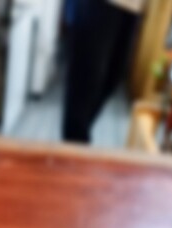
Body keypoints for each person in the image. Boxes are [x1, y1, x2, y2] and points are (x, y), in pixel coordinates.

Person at [62, 0, 146, 143]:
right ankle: (75, 143)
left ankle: (76, 139)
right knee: (86, 82)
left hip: (133, 7)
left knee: (113, 76)